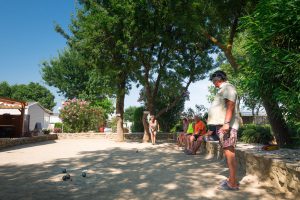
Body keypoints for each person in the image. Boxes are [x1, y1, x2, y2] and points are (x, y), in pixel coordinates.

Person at [207, 70, 241, 190]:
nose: (213, 83)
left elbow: (230, 104)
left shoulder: (228, 87)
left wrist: (226, 124)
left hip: (227, 126)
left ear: (218, 78)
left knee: (229, 153)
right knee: (228, 152)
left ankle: (233, 183)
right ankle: (231, 179)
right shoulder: (224, 88)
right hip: (223, 126)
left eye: (213, 80)